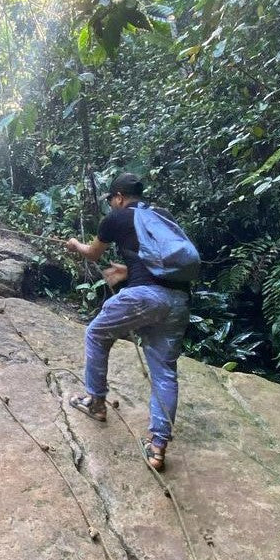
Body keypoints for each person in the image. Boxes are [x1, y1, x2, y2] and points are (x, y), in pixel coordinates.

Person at [64, 172, 195, 472]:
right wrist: (127, 270)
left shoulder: (117, 218)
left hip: (145, 297)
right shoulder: (160, 218)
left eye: (112, 200)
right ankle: (157, 447)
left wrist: (75, 245)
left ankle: (95, 402)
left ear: (119, 197)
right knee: (164, 370)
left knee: (96, 334)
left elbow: (93, 253)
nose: (112, 205)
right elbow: (156, 263)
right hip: (178, 301)